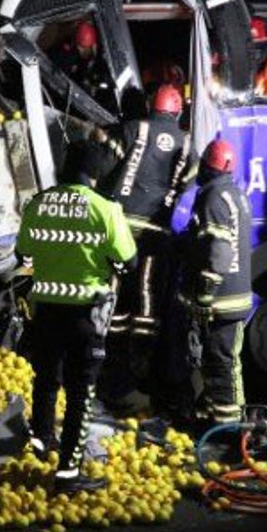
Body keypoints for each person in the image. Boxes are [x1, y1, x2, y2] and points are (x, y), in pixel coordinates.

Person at [16, 139, 137, 494]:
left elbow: (23, 255)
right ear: (95, 175)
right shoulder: (104, 209)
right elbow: (127, 262)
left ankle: (41, 448)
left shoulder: (38, 204)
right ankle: (68, 475)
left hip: (46, 313)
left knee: (46, 382)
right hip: (85, 315)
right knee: (81, 394)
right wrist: (106, 264)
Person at [98, 84, 194, 413]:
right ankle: (143, 364)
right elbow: (190, 189)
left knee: (113, 293)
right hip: (157, 233)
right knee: (148, 298)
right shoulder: (188, 144)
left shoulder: (131, 129)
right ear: (178, 111)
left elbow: (100, 169)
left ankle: (109, 364)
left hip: (119, 227)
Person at [179, 138, 253, 425]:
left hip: (222, 298)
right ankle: (215, 417)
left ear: (208, 168)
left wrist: (204, 293)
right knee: (218, 361)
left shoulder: (212, 197)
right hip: (233, 294)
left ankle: (229, 427)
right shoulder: (234, 194)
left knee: (223, 363)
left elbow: (220, 250)